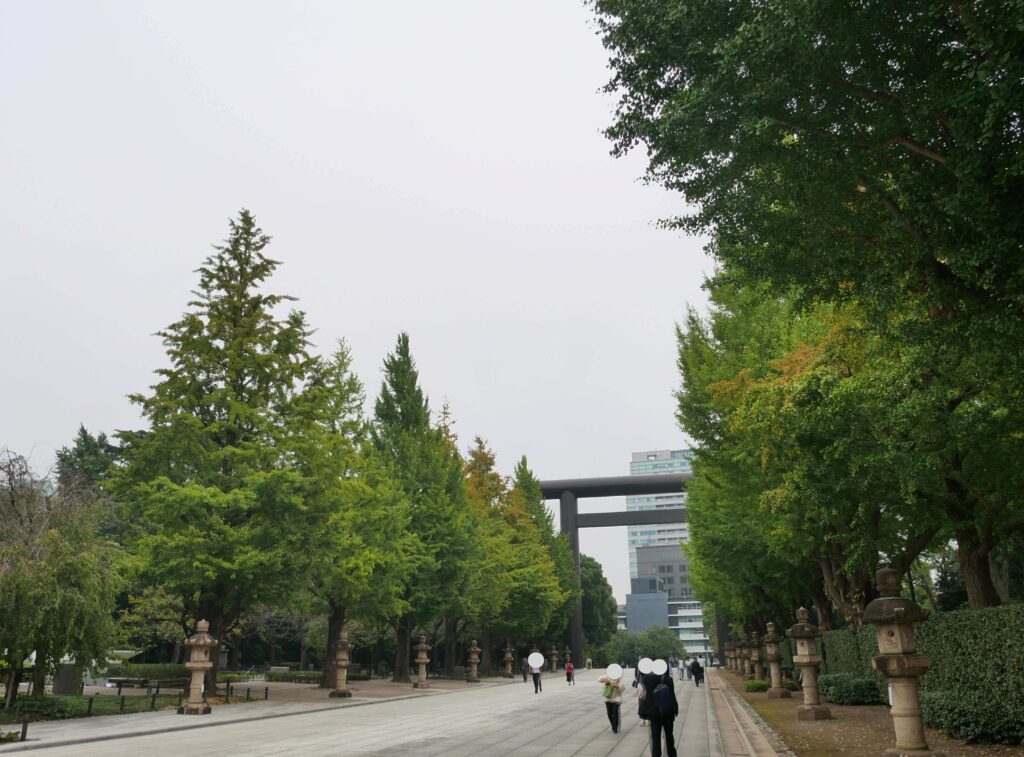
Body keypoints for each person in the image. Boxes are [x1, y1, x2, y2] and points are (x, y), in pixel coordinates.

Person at [638, 662, 678, 757]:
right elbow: (672, 696)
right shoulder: (668, 679)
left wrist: (643, 712)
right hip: (667, 712)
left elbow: (644, 697)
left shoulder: (646, 679)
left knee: (655, 737)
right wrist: (675, 710)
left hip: (654, 714)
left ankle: (656, 755)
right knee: (669, 735)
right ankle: (671, 754)